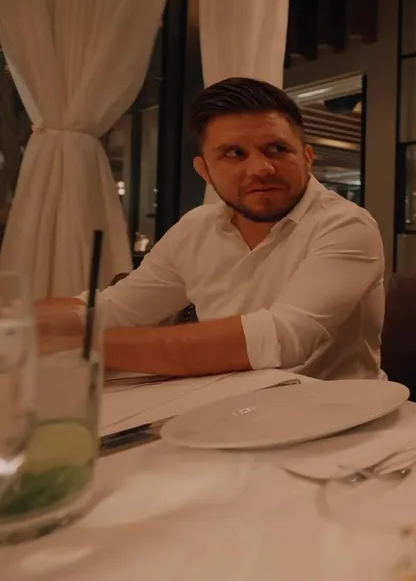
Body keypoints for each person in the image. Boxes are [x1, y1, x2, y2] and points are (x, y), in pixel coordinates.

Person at [41, 77, 385, 380]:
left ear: (307, 157)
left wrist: (86, 345)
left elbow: (284, 337)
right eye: (235, 153)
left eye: (277, 149)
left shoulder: (345, 224)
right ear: (204, 170)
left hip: (339, 415)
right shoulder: (196, 229)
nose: (260, 168)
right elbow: (117, 309)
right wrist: (25, 324)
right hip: (226, 406)